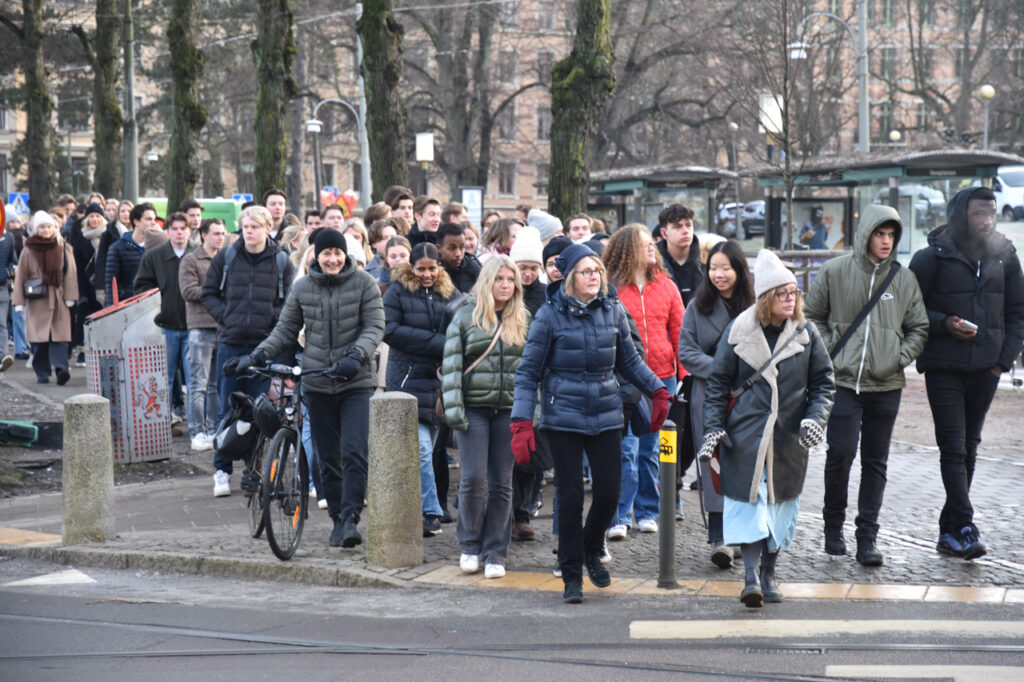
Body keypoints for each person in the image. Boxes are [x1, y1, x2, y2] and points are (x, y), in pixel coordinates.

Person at [510, 243, 669, 604]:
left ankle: (591, 545)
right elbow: (528, 374)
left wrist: (657, 391)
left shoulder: (613, 310)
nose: (594, 277)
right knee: (568, 499)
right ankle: (571, 574)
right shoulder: (548, 317)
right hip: (562, 416)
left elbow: (629, 362)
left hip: (607, 413)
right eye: (586, 271)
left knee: (610, 492)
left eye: (597, 270)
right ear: (569, 278)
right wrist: (521, 422)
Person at [700, 249, 834, 608]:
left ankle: (770, 573)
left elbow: (824, 382)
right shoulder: (738, 331)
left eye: (794, 292)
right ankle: (749, 577)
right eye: (783, 293)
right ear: (766, 298)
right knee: (749, 507)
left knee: (780, 510)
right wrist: (712, 428)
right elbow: (717, 386)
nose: (791, 299)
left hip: (789, 438)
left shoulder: (807, 333)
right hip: (744, 438)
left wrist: (814, 419)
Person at [804, 205, 929, 567]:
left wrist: (895, 358)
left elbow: (919, 327)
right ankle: (832, 527)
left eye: (891, 235)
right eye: (880, 234)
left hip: (886, 385)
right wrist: (830, 352)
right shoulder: (835, 270)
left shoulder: (904, 280)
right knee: (840, 453)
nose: (886, 241)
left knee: (876, 462)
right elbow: (811, 318)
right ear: (867, 235)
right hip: (842, 381)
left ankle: (867, 537)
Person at [247, 229, 384, 548]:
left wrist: (357, 354)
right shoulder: (304, 287)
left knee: (353, 451)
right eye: (327, 253)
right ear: (316, 257)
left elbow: (375, 325)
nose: (333, 258)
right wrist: (258, 353)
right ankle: (338, 518)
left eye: (338, 253)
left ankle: (351, 517)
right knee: (326, 456)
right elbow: (285, 328)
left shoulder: (364, 284)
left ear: (346, 255)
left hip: (355, 381)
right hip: (318, 380)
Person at [909, 186, 1024, 560]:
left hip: (986, 369)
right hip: (944, 366)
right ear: (961, 215)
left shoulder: (1005, 256)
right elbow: (910, 313)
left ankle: (949, 529)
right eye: (979, 213)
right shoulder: (929, 259)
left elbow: (1017, 312)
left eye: (991, 212)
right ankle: (964, 525)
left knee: (969, 447)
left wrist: (1001, 362)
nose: (988, 220)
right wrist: (945, 324)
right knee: (953, 446)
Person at [442, 255, 530, 578]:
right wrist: (455, 410)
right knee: (473, 478)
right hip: (473, 409)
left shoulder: (524, 319)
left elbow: (533, 371)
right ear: (487, 281)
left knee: (502, 483)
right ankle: (469, 546)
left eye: (510, 280)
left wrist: (530, 413)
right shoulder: (465, 317)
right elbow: (451, 368)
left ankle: (496, 552)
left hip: (509, 410)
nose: (505, 285)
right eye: (499, 279)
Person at [202, 205, 295, 497]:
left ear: (267, 228)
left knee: (260, 410)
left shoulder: (281, 261)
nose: (249, 231)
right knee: (227, 408)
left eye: (255, 226)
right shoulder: (227, 256)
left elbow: (289, 303)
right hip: (231, 342)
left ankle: (254, 470)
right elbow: (208, 293)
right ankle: (221, 470)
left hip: (264, 346)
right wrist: (226, 315)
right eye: (245, 226)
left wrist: (271, 321)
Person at [601, 224, 684, 540]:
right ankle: (619, 515)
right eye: (645, 244)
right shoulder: (611, 288)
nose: (653, 248)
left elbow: (679, 332)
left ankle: (648, 511)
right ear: (626, 249)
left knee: (655, 449)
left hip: (662, 377)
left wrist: (683, 376)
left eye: (653, 244)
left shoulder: (667, 286)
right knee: (625, 449)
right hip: (624, 380)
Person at [679, 239, 755, 568]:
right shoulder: (697, 306)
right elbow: (686, 351)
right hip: (708, 394)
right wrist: (721, 371)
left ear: (739, 269)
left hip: (748, 395)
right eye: (713, 268)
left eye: (725, 267)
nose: (719, 274)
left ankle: (743, 534)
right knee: (713, 463)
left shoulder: (754, 305)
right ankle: (719, 537)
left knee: (744, 462)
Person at [383, 242, 463, 536]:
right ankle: (431, 511)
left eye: (432, 269)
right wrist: (438, 344)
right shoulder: (397, 292)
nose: (427, 275)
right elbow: (390, 331)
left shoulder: (449, 291)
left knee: (434, 450)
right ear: (412, 268)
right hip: (407, 378)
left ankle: (432, 506)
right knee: (423, 449)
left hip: (439, 382)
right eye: (422, 269)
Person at [135, 211, 194, 433]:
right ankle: (162, 422)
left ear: (189, 231)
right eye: (175, 229)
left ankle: (196, 426)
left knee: (194, 379)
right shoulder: (154, 256)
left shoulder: (197, 253)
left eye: (183, 228)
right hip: (165, 325)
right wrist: (157, 303)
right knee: (163, 379)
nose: (179, 233)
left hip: (193, 326)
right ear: (168, 231)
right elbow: (141, 286)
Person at [12, 211, 78, 385]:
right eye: (42, 227)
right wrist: (18, 302)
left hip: (59, 298)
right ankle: (42, 371)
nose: (46, 230)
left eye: (49, 226)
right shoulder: (29, 249)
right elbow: (21, 276)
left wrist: (70, 296)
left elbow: (70, 273)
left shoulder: (63, 246)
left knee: (60, 337)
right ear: (36, 229)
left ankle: (61, 369)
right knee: (40, 340)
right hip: (37, 299)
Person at [179, 218, 227, 451]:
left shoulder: (227, 258)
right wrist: (217, 291)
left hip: (223, 326)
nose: (220, 237)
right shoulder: (191, 259)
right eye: (216, 233)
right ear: (204, 235)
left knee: (216, 385)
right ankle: (197, 432)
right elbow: (188, 291)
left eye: (223, 233)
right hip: (199, 327)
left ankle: (214, 428)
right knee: (198, 384)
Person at [105, 202, 155, 304]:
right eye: (148, 219)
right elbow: (111, 282)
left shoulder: (158, 246)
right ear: (136, 222)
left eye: (154, 219)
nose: (153, 223)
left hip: (152, 303)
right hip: (127, 304)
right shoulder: (117, 248)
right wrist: (112, 307)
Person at [437, 222, 481, 293]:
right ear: (439, 248)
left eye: (461, 247)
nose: (458, 254)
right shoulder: (434, 272)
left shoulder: (473, 267)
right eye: (451, 248)